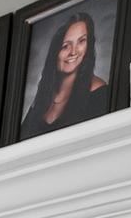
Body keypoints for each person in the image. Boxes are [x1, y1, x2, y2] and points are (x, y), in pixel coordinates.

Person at [19, 8, 111, 137]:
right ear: (55, 52)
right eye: (65, 46)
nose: (73, 52)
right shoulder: (43, 95)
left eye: (81, 41)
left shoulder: (99, 93)